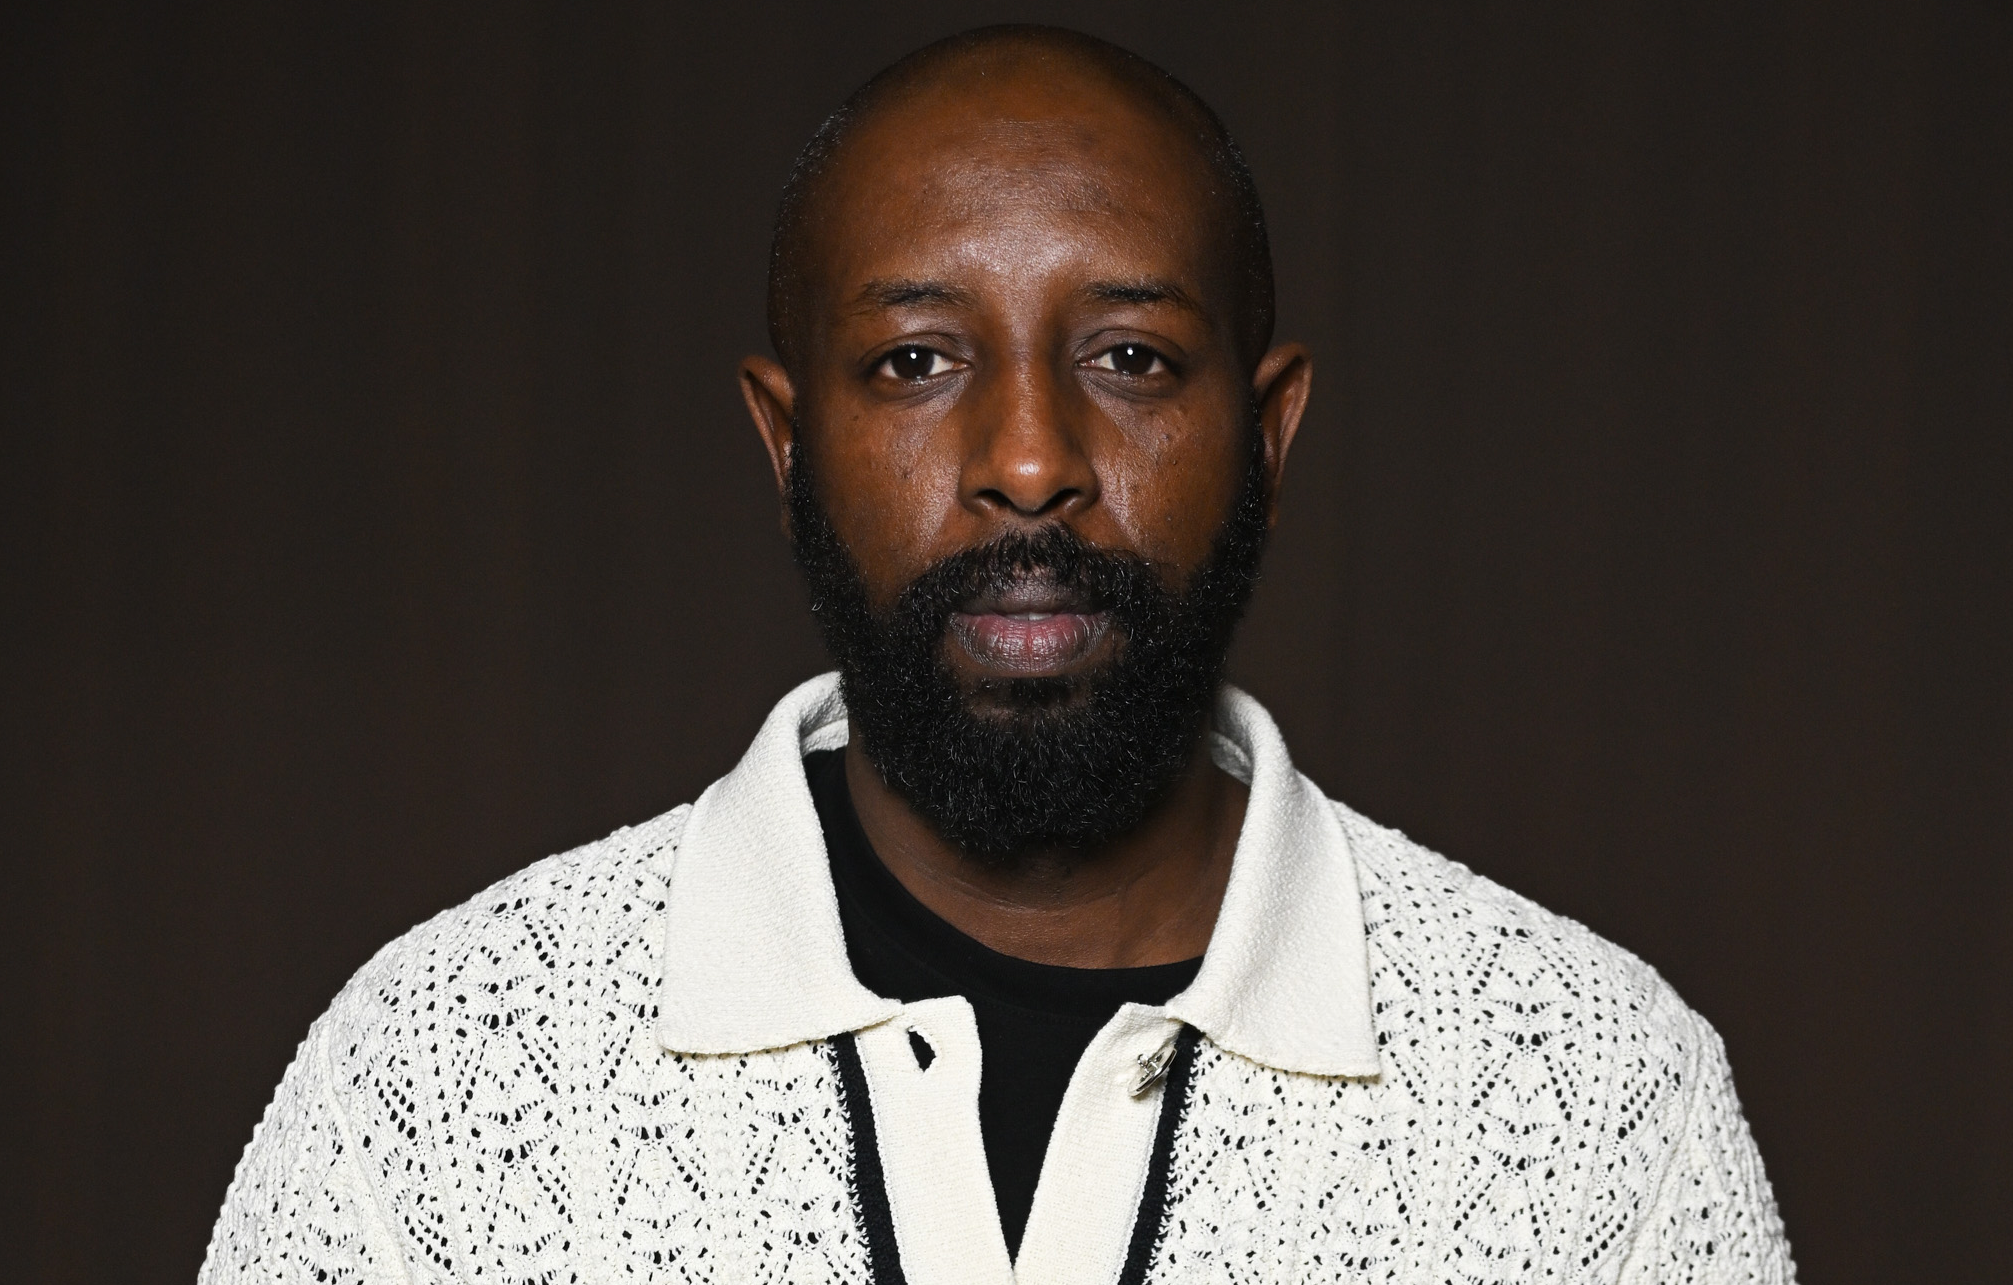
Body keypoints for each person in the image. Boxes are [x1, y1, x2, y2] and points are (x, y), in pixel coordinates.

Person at [202, 25, 1794, 1284]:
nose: (1029, 460)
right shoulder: (441, 1080)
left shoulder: (1598, 1103)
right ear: (785, 444)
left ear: (1267, 431)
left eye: (1130, 357)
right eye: (915, 361)